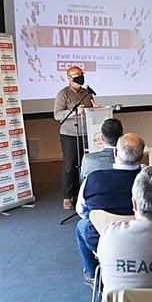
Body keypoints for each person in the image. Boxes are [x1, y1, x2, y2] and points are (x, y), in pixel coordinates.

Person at [76, 133, 144, 282]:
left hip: (102, 240)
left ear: (115, 152)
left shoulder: (93, 178)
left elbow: (81, 211)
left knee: (81, 225)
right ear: (141, 156)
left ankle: (92, 273)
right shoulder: (149, 179)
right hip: (144, 239)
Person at [54, 65, 97, 209]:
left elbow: (91, 109)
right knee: (69, 166)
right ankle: (67, 197)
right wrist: (74, 113)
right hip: (69, 134)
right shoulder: (63, 94)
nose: (80, 76)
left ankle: (84, 194)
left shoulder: (87, 93)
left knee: (87, 164)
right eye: (76, 75)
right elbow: (57, 115)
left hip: (87, 133)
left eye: (81, 73)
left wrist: (96, 110)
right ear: (69, 78)